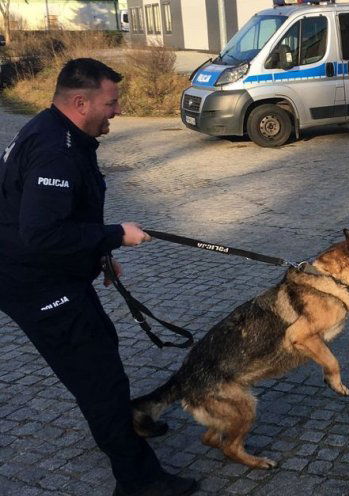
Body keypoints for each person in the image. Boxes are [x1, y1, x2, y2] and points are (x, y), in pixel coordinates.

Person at [0, 59, 198, 495]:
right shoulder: (56, 148)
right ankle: (137, 480)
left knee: (102, 350)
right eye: (111, 103)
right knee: (99, 379)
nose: (118, 111)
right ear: (79, 102)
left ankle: (118, 431)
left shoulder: (53, 130)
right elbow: (40, 232)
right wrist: (114, 236)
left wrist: (98, 251)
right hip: (37, 286)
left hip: (51, 277)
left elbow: (53, 218)